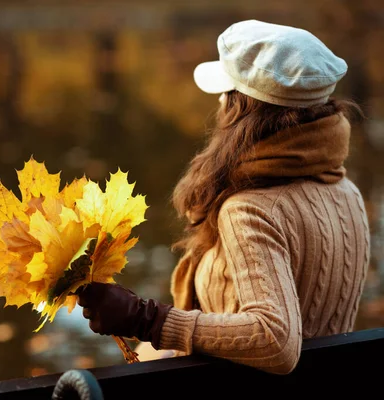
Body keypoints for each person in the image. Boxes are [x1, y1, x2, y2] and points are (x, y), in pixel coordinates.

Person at [76, 19, 371, 375]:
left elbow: (275, 341)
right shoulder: (346, 192)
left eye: (225, 93)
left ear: (238, 109)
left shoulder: (249, 210)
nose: (217, 103)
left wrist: (147, 318)